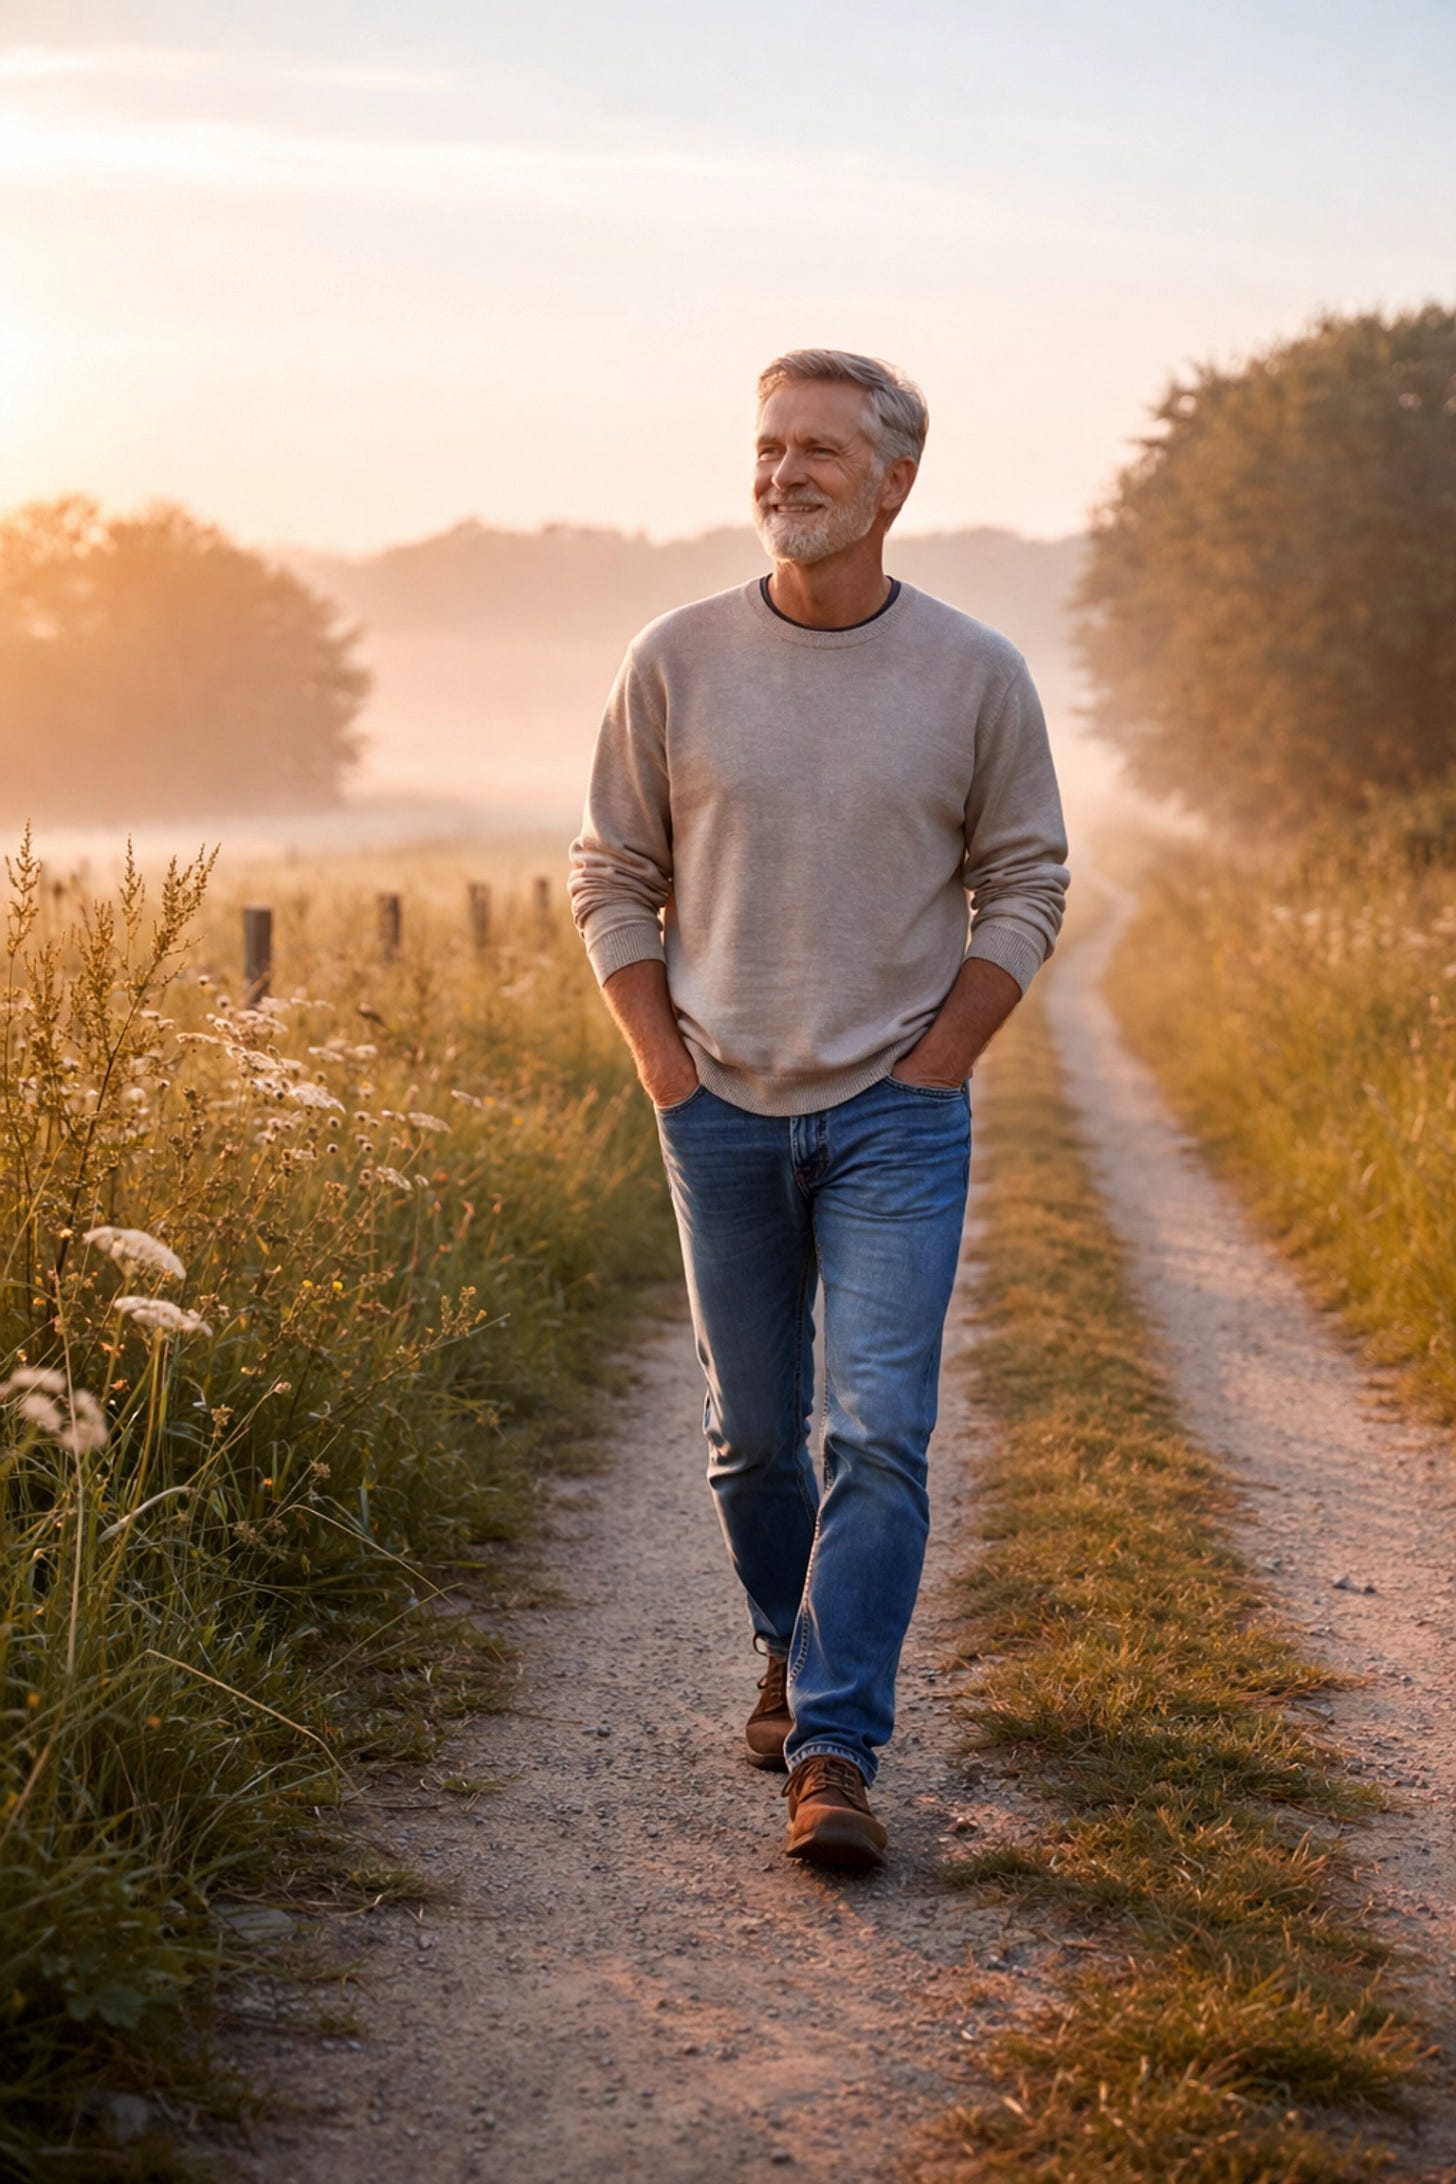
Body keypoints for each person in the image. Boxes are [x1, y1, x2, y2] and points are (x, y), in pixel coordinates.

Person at [567, 349, 1069, 1870]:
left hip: (897, 1119)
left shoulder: (975, 672)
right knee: (755, 1442)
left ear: (895, 482)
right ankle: (786, 1644)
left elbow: (1026, 880)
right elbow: (611, 874)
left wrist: (943, 1060)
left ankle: (837, 1746)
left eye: (820, 451)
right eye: (771, 446)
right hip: (715, 1105)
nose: (784, 473)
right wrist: (664, 1064)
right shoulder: (675, 658)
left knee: (879, 1432)